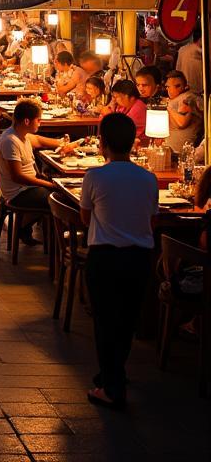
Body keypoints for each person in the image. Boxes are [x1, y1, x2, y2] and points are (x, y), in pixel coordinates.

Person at [79, 112, 159, 409]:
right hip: (139, 258)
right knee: (126, 320)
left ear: (103, 143)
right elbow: (151, 220)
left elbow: (85, 217)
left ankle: (111, 387)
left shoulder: (96, 176)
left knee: (104, 321)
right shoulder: (148, 178)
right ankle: (113, 374)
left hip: (105, 257)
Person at [0, 100, 79, 233]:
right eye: (38, 120)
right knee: (61, 199)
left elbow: (38, 140)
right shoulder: (10, 141)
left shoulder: (22, 135)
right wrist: (49, 185)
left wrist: (62, 144)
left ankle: (29, 229)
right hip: (18, 193)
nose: (40, 123)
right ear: (27, 121)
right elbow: (17, 177)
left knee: (62, 191)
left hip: (27, 187)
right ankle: (60, 241)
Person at [163, 69, 202, 153]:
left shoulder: (186, 99)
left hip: (182, 152)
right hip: (172, 149)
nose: (167, 90)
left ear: (179, 86)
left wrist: (168, 107)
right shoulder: (175, 99)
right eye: (166, 87)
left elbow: (182, 122)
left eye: (169, 86)